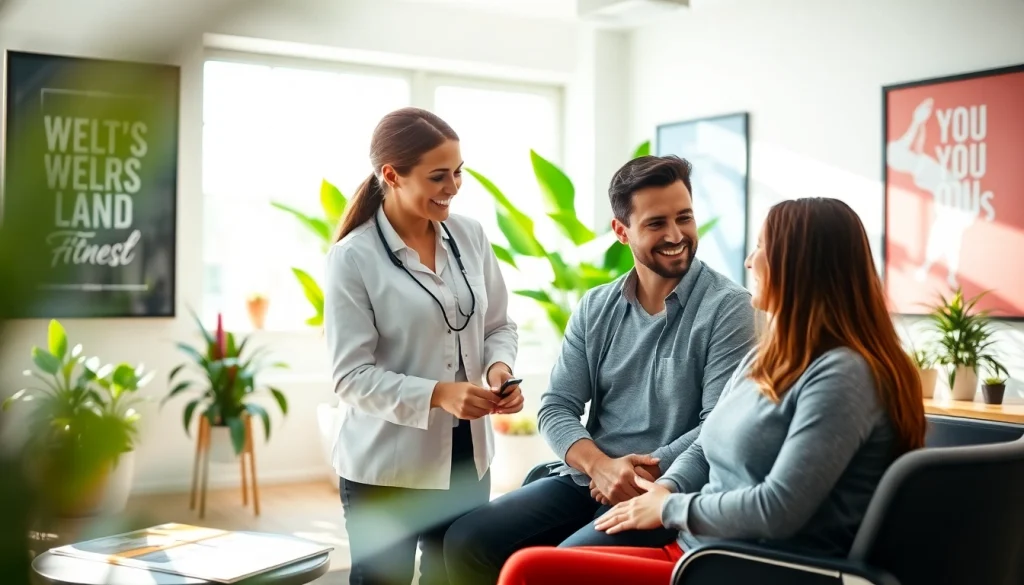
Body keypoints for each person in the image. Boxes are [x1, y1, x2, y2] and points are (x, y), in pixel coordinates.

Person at [494, 197, 928, 585]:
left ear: (799, 266)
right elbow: (706, 442)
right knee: (549, 560)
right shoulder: (772, 356)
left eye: (762, 248)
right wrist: (666, 488)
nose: (750, 262)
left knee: (531, 571)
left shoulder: (844, 376)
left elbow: (778, 508)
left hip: (746, 564)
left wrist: (667, 509)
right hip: (699, 550)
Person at [444, 155, 757, 585]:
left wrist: (630, 473)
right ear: (621, 231)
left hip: (665, 488)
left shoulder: (728, 308)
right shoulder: (596, 306)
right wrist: (600, 467)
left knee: (558, 567)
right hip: (587, 477)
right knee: (467, 538)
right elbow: (556, 405)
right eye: (656, 223)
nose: (676, 235)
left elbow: (717, 426)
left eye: (684, 217)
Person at [323, 107, 522, 585]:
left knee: (455, 578)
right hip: (386, 469)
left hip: (466, 459)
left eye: (458, 173)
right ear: (391, 175)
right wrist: (439, 393)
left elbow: (499, 324)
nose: (453, 186)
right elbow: (349, 376)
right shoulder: (353, 258)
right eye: (438, 176)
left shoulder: (470, 235)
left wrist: (498, 369)